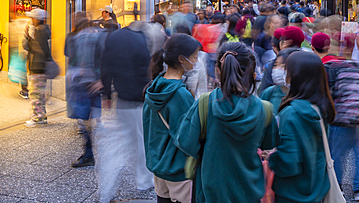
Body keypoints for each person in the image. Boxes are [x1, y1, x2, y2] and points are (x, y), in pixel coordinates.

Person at [176, 42, 278, 203]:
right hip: (250, 190)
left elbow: (185, 142)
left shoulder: (205, 103)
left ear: (218, 71)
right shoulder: (264, 109)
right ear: (252, 73)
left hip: (211, 190)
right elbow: (269, 144)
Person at [96, 20, 155, 201]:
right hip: (140, 100)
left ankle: (107, 185)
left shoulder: (114, 37)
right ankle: (144, 181)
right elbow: (148, 70)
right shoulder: (142, 40)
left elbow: (105, 66)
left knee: (119, 143)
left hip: (122, 98)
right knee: (142, 143)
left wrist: (106, 94)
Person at [269, 51, 336, 203]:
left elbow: (289, 163)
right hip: (316, 189)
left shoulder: (291, 113)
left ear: (296, 76)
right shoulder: (320, 108)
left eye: (287, 70)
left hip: (291, 193)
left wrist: (271, 158)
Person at [144, 34, 201, 203]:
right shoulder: (180, 94)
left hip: (158, 164)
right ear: (182, 59)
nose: (196, 61)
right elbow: (187, 137)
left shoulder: (155, 86)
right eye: (195, 57)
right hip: (178, 168)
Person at [325, 34, 359, 201]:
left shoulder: (334, 67)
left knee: (337, 156)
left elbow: (331, 93)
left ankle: (338, 187)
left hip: (341, 119)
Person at [65, 11, 104, 167]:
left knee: (85, 119)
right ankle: (89, 152)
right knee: (89, 119)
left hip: (83, 84)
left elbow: (80, 61)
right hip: (93, 83)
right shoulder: (94, 35)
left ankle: (89, 154)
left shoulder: (81, 37)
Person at [24, 8, 52, 127]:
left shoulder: (40, 33)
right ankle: (42, 116)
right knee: (39, 94)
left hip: (37, 67)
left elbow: (35, 49)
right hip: (41, 68)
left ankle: (37, 118)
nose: (31, 20)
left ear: (36, 19)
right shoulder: (44, 31)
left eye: (32, 18)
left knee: (35, 94)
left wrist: (27, 37)